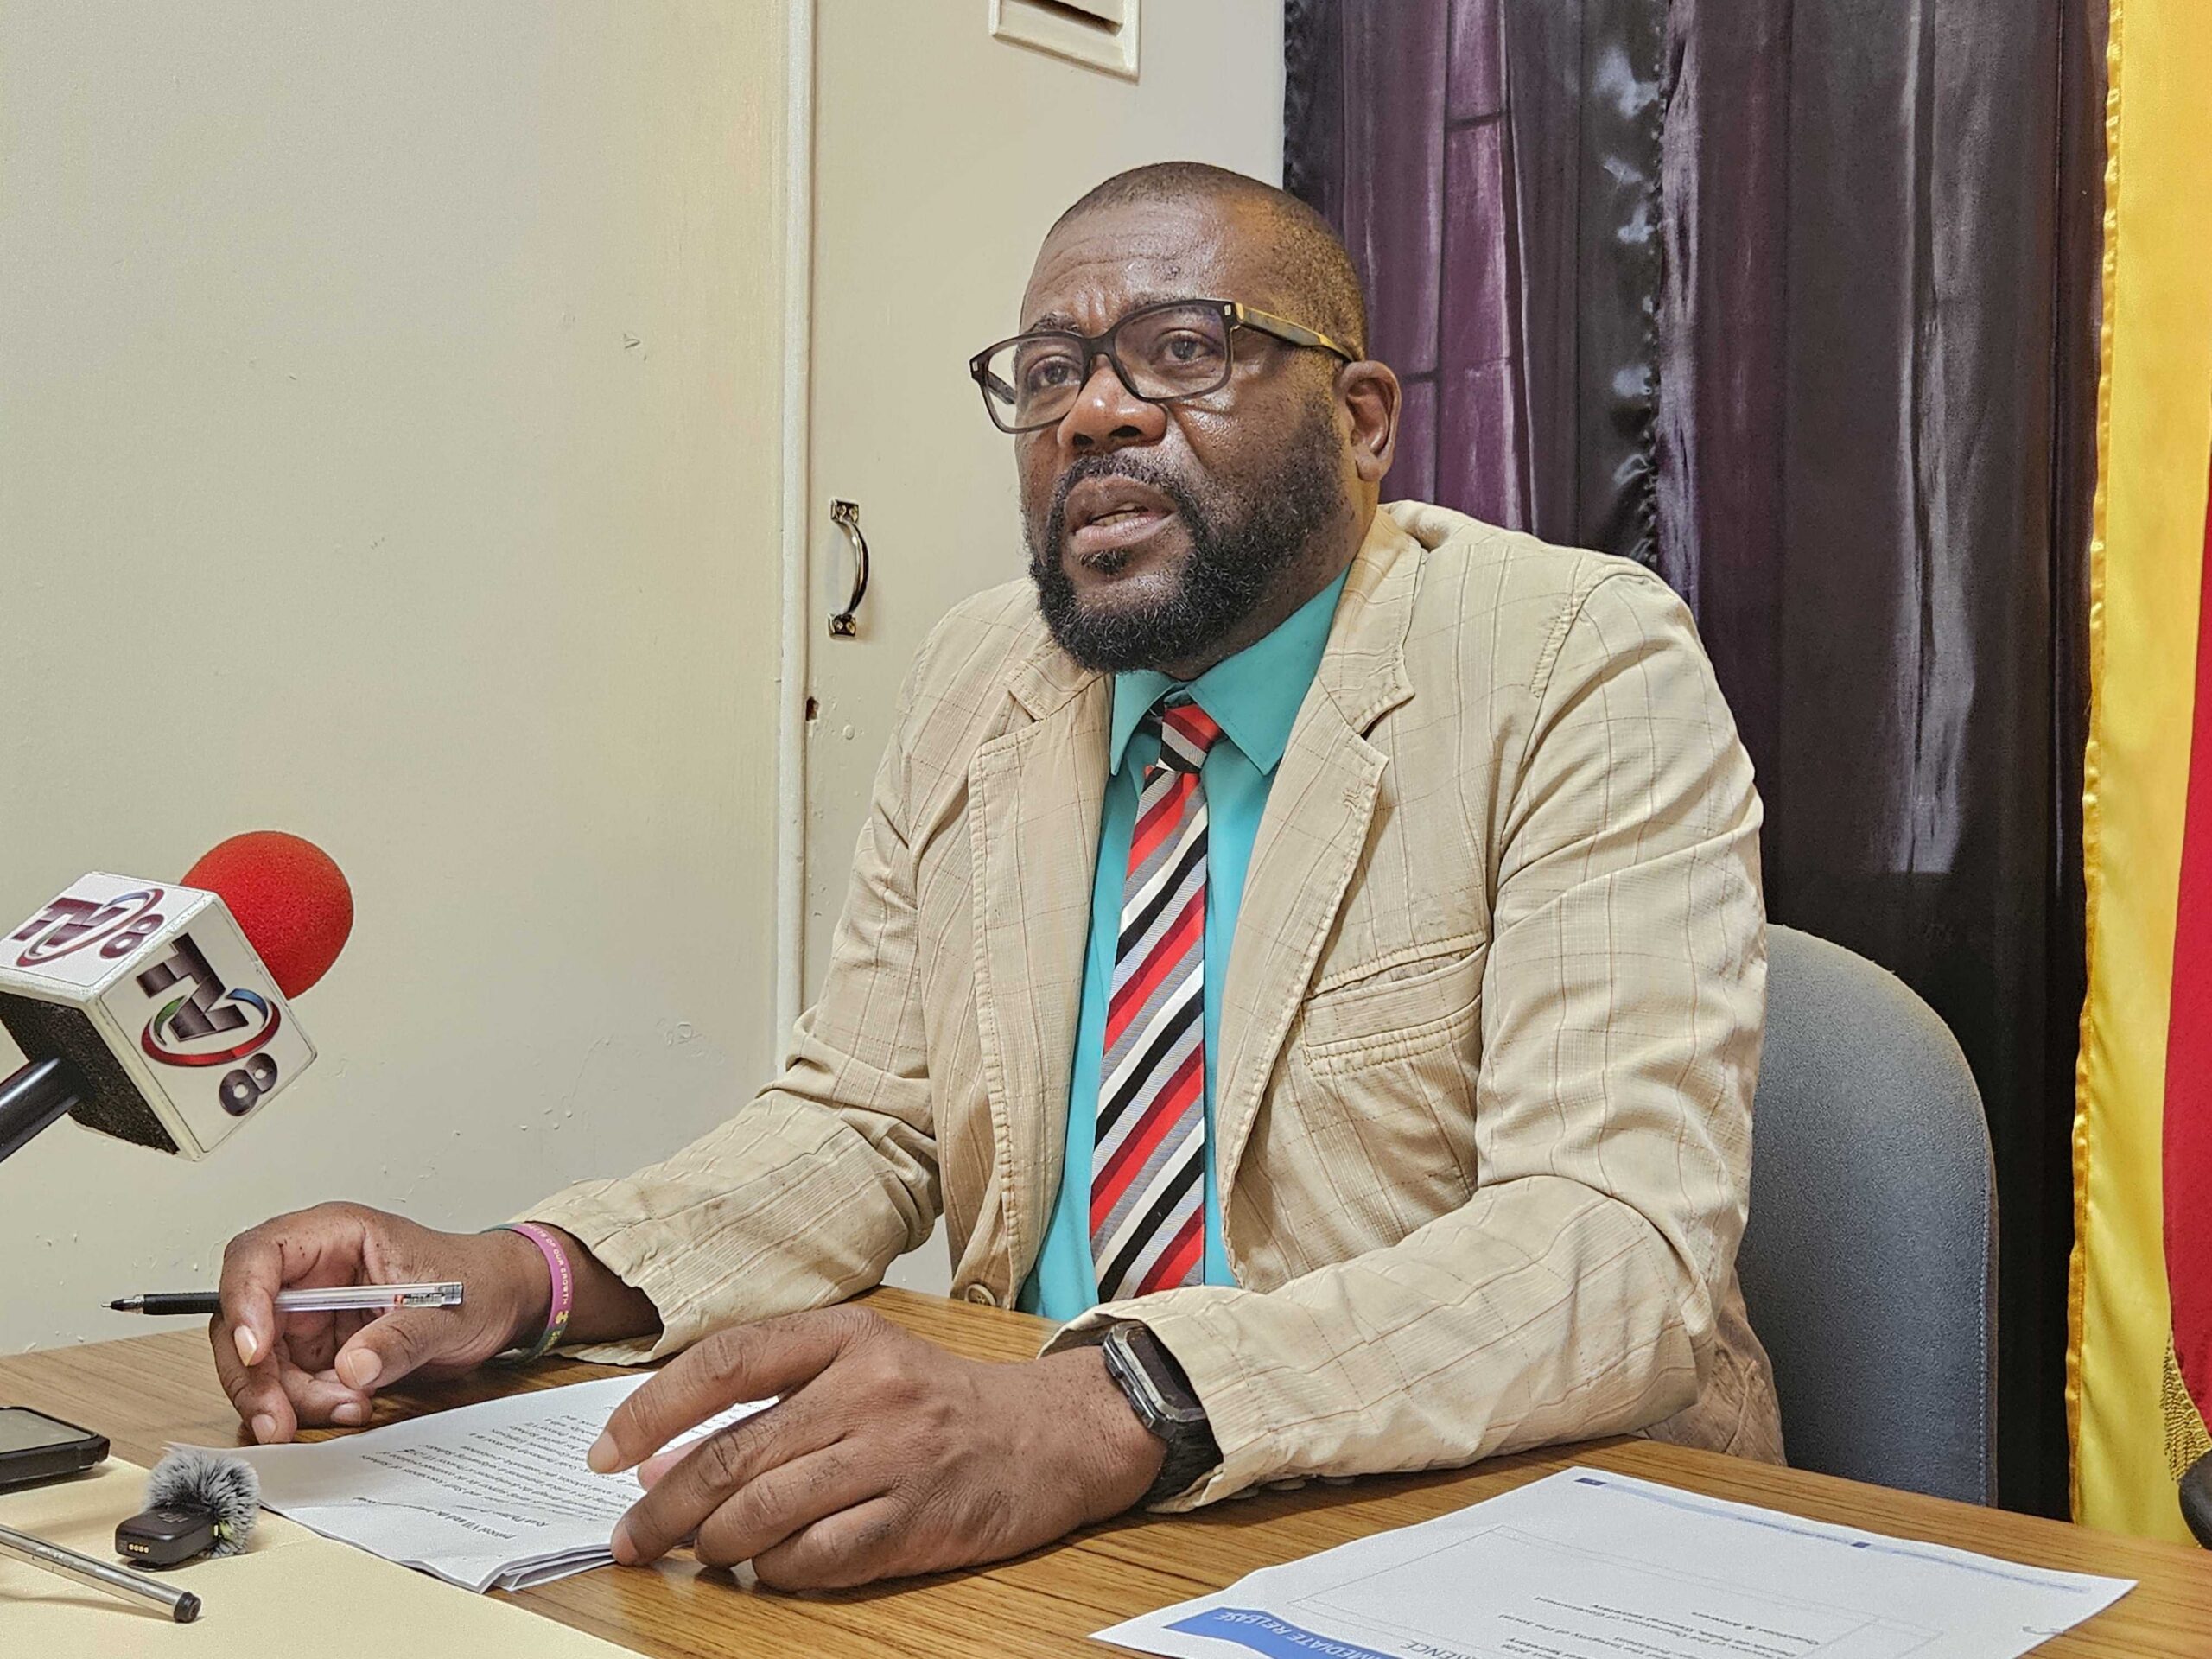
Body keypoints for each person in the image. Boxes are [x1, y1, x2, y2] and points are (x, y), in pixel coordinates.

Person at [213, 162, 1782, 1591]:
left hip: (1488, 1533)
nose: (1092, 414)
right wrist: (524, 1274)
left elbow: (1607, 1244)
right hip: (1065, 1539)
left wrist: (1099, 1408)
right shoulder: (985, 675)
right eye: (1046, 374)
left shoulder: (1570, 661)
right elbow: (863, 1121)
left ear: (1362, 420)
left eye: (1182, 350)